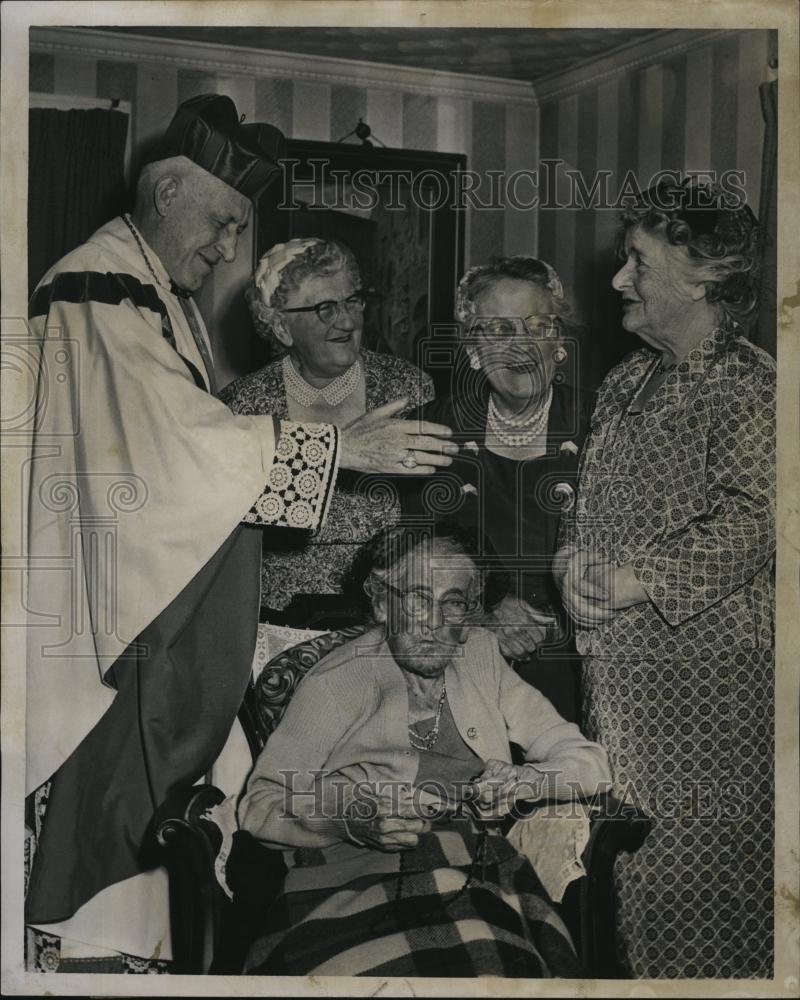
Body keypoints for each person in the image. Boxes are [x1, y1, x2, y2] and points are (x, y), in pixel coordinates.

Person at [24, 94, 456, 972]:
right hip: (116, 605)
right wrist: (342, 446)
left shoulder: (153, 290)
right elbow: (173, 452)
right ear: (168, 190)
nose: (226, 248)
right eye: (221, 223)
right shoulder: (100, 292)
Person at [554, 180, 775, 978]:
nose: (618, 280)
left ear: (702, 272)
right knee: (627, 870)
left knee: (701, 886)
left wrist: (637, 580)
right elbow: (594, 502)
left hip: (708, 696)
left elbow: (761, 519)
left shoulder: (752, 387)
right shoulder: (629, 378)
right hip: (622, 687)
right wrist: (570, 562)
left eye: (638, 263)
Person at [238, 522, 611, 977]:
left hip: (481, 872)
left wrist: (527, 781)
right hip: (350, 878)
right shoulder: (335, 683)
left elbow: (591, 764)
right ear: (380, 601)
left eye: (453, 602)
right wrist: (352, 820)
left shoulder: (480, 657)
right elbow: (261, 806)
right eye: (416, 598)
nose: (434, 622)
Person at [220, 237, 434, 651]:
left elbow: (433, 512)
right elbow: (229, 522)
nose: (347, 321)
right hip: (281, 627)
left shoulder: (408, 388)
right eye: (324, 309)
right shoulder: (243, 406)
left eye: (352, 300)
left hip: (390, 622)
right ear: (281, 326)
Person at [409, 256, 593, 721]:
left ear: (559, 343)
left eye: (537, 325)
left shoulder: (602, 424)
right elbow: (409, 558)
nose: (522, 347)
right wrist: (483, 614)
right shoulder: (434, 428)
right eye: (499, 331)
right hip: (464, 655)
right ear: (473, 348)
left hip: (584, 663)